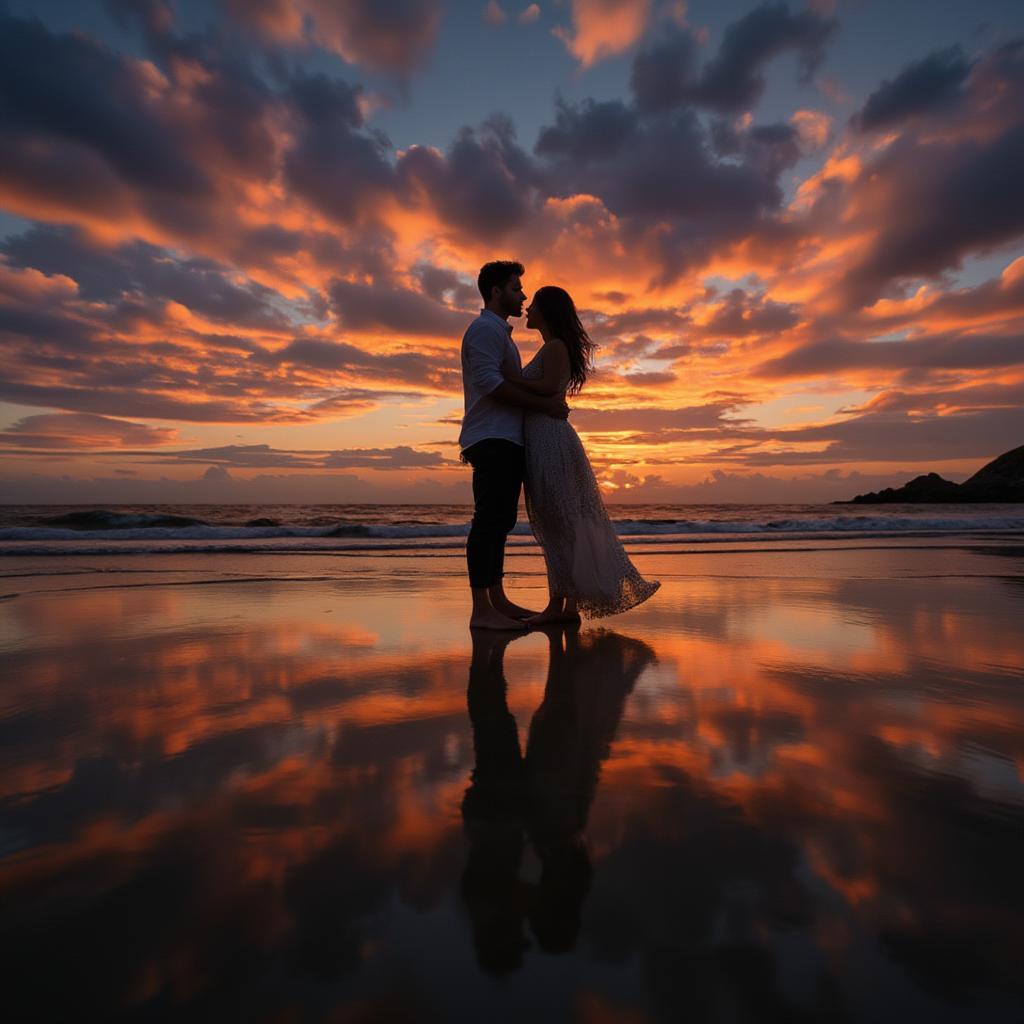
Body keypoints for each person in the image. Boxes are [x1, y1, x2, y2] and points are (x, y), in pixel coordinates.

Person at [500, 286, 660, 624]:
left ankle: (563, 608)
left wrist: (510, 378)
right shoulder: (551, 347)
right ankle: (562, 607)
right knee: (553, 524)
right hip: (542, 441)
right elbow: (547, 391)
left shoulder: (556, 347)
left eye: (535, 305)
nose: (528, 309)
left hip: (552, 442)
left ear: (548, 312)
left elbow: (547, 388)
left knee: (561, 523)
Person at [459, 261, 568, 630]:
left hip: (505, 437)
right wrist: (546, 405)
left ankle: (497, 599)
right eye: (516, 288)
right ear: (495, 291)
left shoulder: (500, 334)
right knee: (488, 522)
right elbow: (491, 384)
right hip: (491, 436)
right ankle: (481, 610)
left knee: (501, 521)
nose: (522, 296)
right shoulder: (484, 331)